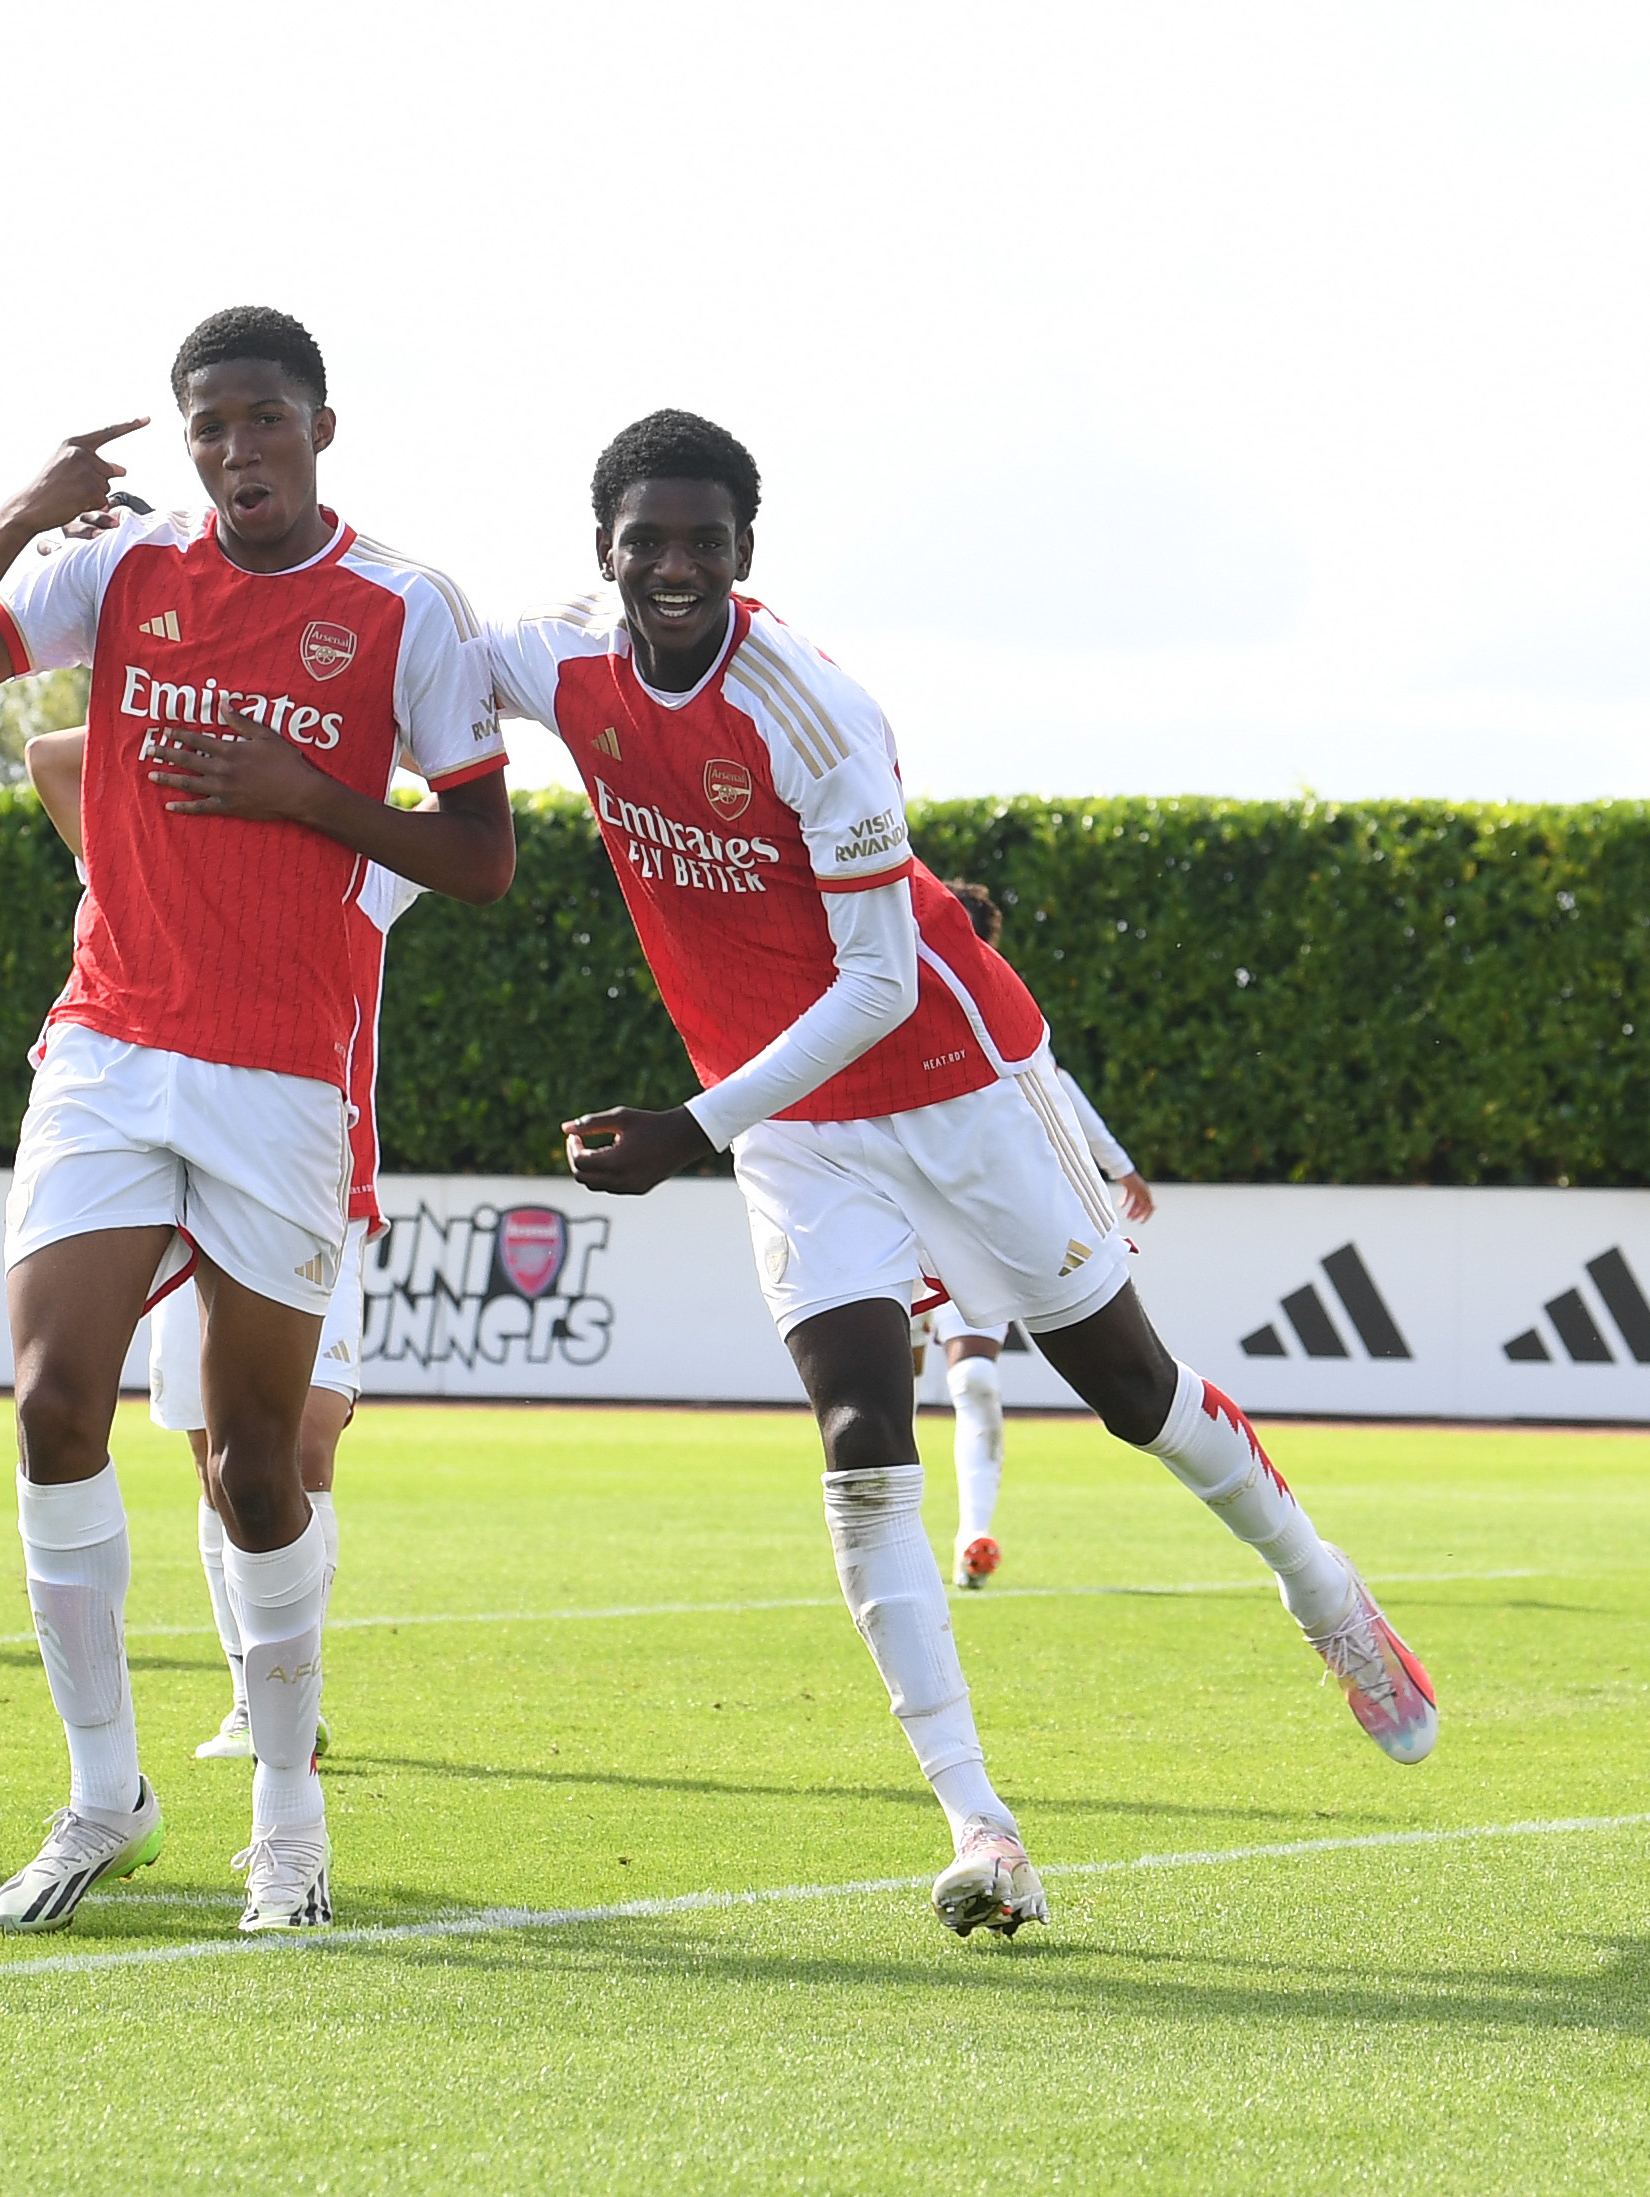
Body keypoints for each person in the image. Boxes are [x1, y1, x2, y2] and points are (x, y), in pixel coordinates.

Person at [488, 411, 1438, 1941]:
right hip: (800, 1128)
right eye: (644, 541)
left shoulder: (817, 715)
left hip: (950, 1081)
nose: (673, 568)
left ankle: (1323, 1590)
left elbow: (875, 982)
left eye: (704, 542)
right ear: (601, 549)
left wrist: (692, 1124)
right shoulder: (549, 660)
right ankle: (979, 1823)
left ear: (746, 553)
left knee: (1131, 1391)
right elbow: (410, 670)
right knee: (861, 1431)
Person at [0, 306, 513, 1934]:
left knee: (250, 1466)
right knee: (48, 1407)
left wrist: (312, 800)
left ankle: (285, 1818)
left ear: (320, 427)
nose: (236, 451)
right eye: (208, 426)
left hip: (284, 1077)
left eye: (263, 421)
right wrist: (22, 513)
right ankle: (104, 1795)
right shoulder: (122, 570)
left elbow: (485, 856)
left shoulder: (403, 607)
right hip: (106, 1045)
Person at [25, 725, 422, 1761]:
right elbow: (52, 754)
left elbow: (440, 796)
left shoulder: (360, 863)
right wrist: (183, 709)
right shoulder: (158, 843)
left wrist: (313, 762)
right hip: (165, 1169)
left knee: (299, 1440)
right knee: (213, 1451)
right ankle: (252, 1693)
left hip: (310, 1172)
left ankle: (293, 1692)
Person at [920, 878, 1157, 1592]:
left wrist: (1118, 1166)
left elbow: (1052, 1083)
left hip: (963, 1221)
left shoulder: (990, 1002)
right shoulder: (880, 994)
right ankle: (891, 1557)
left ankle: (972, 1538)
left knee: (976, 1381)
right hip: (894, 1220)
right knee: (880, 1401)